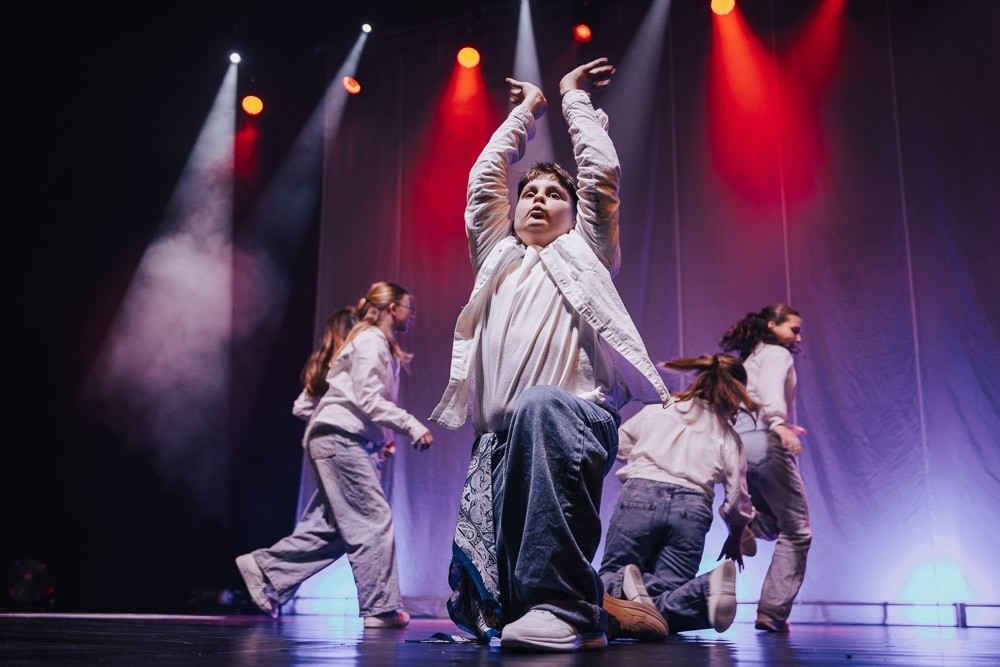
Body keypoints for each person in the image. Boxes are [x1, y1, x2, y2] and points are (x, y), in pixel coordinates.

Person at [430, 58, 672, 652]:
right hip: (504, 442)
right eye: (529, 193)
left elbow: (601, 175)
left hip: (571, 420)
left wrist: (571, 98)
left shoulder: (586, 251)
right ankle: (610, 608)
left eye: (554, 194)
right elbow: (483, 180)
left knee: (539, 405)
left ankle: (567, 609)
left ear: (574, 212)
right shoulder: (497, 259)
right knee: (501, 605)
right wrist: (524, 111)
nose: (538, 199)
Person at [236, 281, 433, 628]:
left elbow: (362, 400)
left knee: (338, 529)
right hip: (340, 439)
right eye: (408, 308)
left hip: (340, 438)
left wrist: (382, 439)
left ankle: (266, 571)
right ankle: (379, 608)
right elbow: (368, 399)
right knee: (373, 520)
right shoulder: (370, 340)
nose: (411, 315)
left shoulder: (375, 342)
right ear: (392, 309)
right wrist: (411, 426)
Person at [598, 354, 761, 635]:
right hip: (692, 509)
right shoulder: (728, 435)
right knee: (670, 589)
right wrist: (736, 538)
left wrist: (645, 456)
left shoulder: (663, 407)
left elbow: (619, 443)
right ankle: (705, 590)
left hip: (640, 494)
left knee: (610, 581)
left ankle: (622, 582)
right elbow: (736, 499)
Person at [719, 304, 809, 633]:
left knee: (772, 523)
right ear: (772, 325)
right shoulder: (776, 353)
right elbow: (771, 394)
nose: (798, 337)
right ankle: (772, 611)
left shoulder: (750, 357)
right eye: (794, 329)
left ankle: (747, 522)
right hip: (764, 440)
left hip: (739, 444)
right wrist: (778, 424)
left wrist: (777, 425)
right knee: (797, 531)